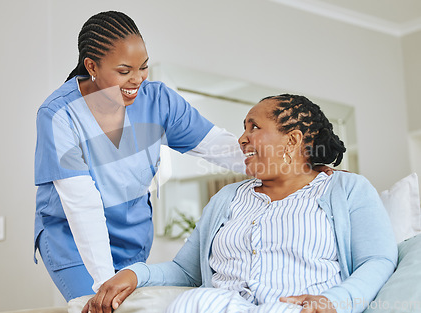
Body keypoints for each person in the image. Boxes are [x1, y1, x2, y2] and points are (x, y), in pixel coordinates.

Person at [85, 94, 398, 313]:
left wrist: (337, 301)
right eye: (244, 128)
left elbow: (378, 259)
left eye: (254, 127)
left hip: (294, 307)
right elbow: (186, 270)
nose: (242, 138)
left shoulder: (347, 189)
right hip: (220, 306)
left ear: (292, 141)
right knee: (193, 304)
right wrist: (135, 274)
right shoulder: (227, 198)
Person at [34, 11, 247, 302]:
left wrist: (290, 164)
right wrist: (104, 282)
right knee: (98, 304)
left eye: (143, 67)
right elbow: (81, 204)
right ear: (91, 65)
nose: (137, 79)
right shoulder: (59, 114)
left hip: (133, 237)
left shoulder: (159, 100)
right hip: (72, 240)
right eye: (124, 71)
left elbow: (220, 147)